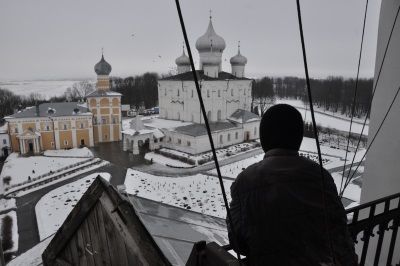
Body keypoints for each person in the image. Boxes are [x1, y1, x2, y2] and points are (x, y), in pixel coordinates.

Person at [227, 104, 357, 266]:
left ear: (263, 139)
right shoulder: (321, 176)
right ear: (298, 138)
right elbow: (339, 235)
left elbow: (238, 243)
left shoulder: (245, 181)